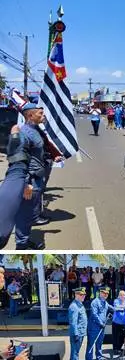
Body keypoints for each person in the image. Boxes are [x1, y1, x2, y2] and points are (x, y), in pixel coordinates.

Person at [0, 103, 48, 250]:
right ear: (30, 115)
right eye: (40, 113)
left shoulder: (35, 130)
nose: (43, 115)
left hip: (37, 177)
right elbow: (18, 160)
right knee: (24, 215)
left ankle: (23, 240)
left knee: (27, 214)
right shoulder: (24, 133)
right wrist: (26, 183)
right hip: (30, 180)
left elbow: (36, 151)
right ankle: (22, 244)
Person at [86, 287, 114, 360]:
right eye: (104, 293)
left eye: (107, 294)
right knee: (91, 344)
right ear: (100, 293)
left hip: (102, 327)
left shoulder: (105, 302)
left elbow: (111, 308)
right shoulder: (95, 302)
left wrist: (122, 309)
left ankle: (99, 357)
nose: (105, 295)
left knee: (99, 343)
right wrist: (101, 323)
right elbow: (94, 314)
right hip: (94, 327)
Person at [68, 287, 88, 360]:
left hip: (81, 332)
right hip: (77, 333)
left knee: (76, 350)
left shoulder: (79, 304)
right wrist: (76, 334)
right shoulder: (74, 306)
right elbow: (73, 322)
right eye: (81, 294)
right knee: (75, 350)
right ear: (76, 295)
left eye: (84, 294)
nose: (83, 296)